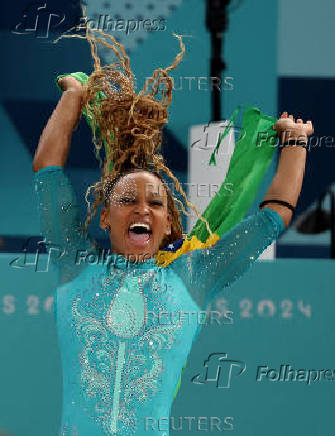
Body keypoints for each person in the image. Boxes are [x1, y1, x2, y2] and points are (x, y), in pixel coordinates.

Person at [32, 31, 313, 436]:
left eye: (157, 203)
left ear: (168, 225)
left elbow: (271, 220)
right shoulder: (75, 265)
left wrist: (296, 143)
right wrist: (74, 96)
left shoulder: (194, 276)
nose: (143, 208)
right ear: (106, 216)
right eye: (128, 199)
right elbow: (49, 173)